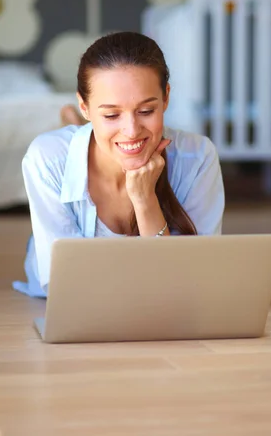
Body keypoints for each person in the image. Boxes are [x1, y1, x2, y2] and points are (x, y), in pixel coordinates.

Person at [13, 31, 225, 298]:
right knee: (71, 150)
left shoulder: (198, 156)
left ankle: (78, 127)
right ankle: (75, 128)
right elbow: (63, 284)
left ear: (166, 97)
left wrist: (145, 199)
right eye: (112, 114)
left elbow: (194, 282)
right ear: (85, 106)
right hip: (79, 291)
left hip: (121, 290)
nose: (132, 130)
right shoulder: (46, 158)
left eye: (146, 111)